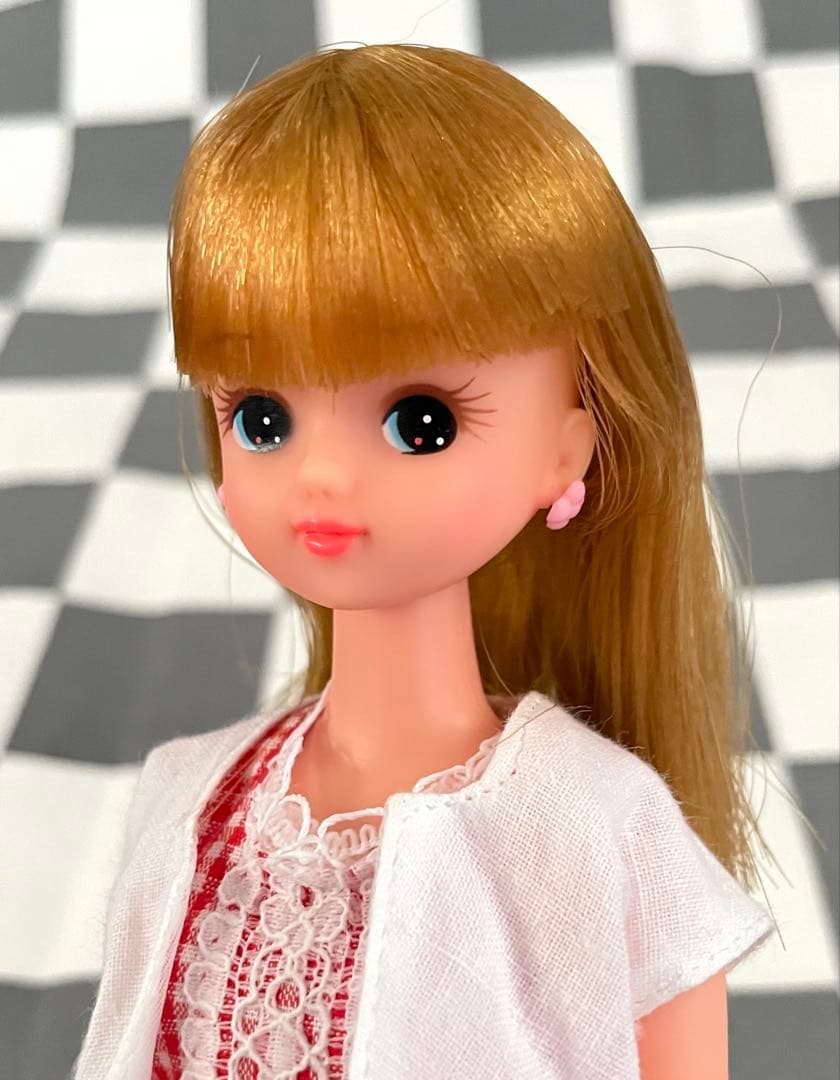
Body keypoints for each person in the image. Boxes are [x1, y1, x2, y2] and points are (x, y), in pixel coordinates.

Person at [73, 44, 776, 1080]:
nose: (321, 476)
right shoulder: (184, 801)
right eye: (261, 416)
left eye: (420, 421)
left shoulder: (597, 830)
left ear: (566, 449)